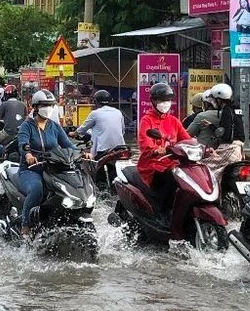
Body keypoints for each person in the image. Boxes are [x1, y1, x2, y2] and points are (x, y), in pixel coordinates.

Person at [16, 91, 76, 235]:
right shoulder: (27, 126)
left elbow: (68, 145)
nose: (48, 108)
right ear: (36, 107)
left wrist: (82, 153)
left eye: (50, 105)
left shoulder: (55, 126)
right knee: (37, 189)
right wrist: (28, 154)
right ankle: (26, 225)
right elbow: (22, 144)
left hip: (53, 169)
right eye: (44, 105)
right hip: (31, 169)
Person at [137, 82, 191, 216]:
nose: (165, 103)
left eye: (168, 100)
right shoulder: (146, 120)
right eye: (161, 100)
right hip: (153, 164)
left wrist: (201, 148)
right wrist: (156, 149)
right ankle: (162, 213)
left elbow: (187, 139)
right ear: (153, 101)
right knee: (171, 179)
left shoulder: (174, 121)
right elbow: (145, 142)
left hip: (173, 162)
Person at [70, 89, 127, 185]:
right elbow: (122, 130)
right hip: (119, 148)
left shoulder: (95, 113)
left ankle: (102, 191)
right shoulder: (118, 112)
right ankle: (114, 190)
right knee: (113, 170)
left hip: (102, 149)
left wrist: (73, 134)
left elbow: (82, 129)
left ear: (96, 101)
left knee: (98, 172)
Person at [0, 84, 27, 166]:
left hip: (8, 133)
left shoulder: (4, 104)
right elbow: (26, 118)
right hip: (21, 133)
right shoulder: (23, 104)